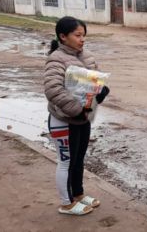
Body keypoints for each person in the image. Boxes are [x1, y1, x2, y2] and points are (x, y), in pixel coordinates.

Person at [44, 16, 110, 216]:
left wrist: (102, 91)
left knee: (79, 159)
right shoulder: (56, 59)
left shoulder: (86, 56)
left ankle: (78, 195)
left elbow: (96, 80)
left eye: (84, 35)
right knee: (66, 161)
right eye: (77, 35)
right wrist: (76, 109)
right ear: (63, 37)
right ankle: (66, 203)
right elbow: (52, 89)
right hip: (64, 119)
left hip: (83, 118)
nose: (82, 39)